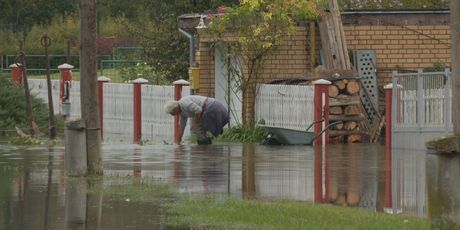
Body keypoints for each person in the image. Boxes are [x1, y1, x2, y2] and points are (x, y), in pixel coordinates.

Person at [164, 95, 229, 145]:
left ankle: (205, 146)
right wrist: (177, 143)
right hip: (208, 109)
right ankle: (207, 143)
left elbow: (198, 110)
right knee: (198, 130)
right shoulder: (182, 112)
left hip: (212, 107)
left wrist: (195, 123)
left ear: (175, 108)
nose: (173, 115)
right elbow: (182, 127)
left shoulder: (184, 102)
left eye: (172, 113)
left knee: (196, 129)